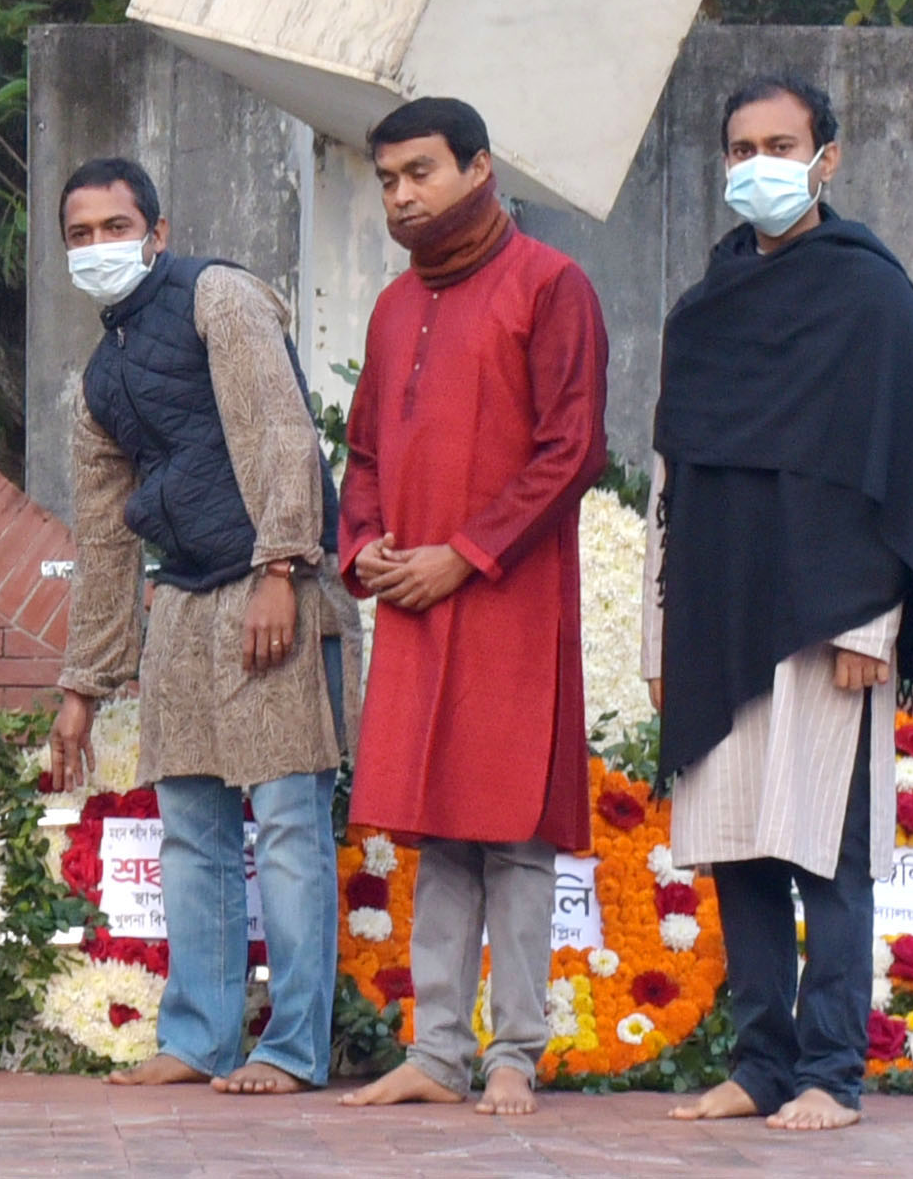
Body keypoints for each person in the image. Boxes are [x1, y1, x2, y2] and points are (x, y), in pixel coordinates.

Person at [650, 76, 913, 1135]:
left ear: (827, 158)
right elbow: (673, 480)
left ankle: (831, 1073)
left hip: (832, 621)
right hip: (719, 616)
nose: (760, 166)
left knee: (829, 855)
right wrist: (659, 637)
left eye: (781, 146)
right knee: (739, 847)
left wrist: (873, 626)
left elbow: (904, 465)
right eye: (742, 148)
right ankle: (760, 1066)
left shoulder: (871, 299)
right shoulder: (704, 312)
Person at [47, 157, 350, 1096]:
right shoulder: (99, 380)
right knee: (190, 826)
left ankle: (293, 1048)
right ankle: (199, 1039)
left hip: (270, 582)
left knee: (289, 822)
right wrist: (81, 688)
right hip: (180, 600)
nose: (98, 247)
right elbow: (104, 541)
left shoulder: (220, 296)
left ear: (158, 232)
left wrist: (282, 567)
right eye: (80, 235)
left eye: (115, 227)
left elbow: (280, 430)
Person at [334, 96, 607, 1119]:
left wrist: (467, 554)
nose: (403, 196)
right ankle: (437, 1051)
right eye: (388, 180)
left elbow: (573, 450)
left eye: (422, 172)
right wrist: (365, 546)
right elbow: (365, 452)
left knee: (511, 834)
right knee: (438, 833)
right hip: (413, 598)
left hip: (508, 599)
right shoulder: (393, 305)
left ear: (480, 167)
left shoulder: (551, 284)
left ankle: (514, 1054)